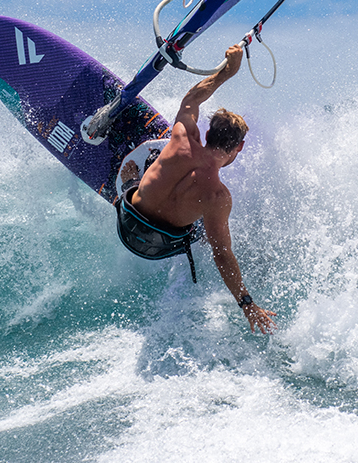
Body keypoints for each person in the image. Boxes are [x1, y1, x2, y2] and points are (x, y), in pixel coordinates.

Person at [115, 45, 277, 334]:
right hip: (156, 247)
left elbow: (192, 98)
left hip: (127, 219)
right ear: (238, 147)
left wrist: (229, 70)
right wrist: (247, 303)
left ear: (206, 133)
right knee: (209, 233)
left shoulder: (179, 139)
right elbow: (223, 255)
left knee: (155, 163)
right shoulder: (218, 197)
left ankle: (129, 182)